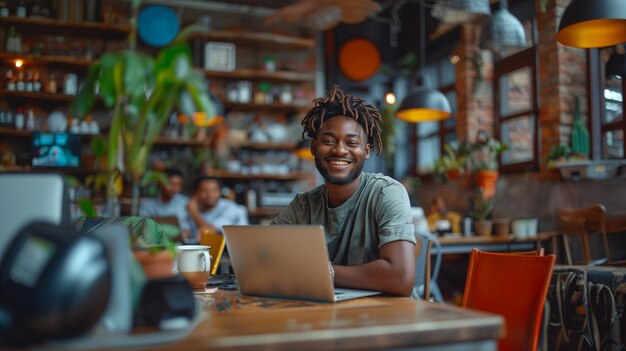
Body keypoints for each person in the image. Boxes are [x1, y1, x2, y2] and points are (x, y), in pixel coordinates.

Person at [270, 86, 416, 297]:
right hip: (327, 315)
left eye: (352, 143)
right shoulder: (304, 206)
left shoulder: (387, 193)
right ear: (314, 148)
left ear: (366, 152)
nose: (339, 150)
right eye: (328, 141)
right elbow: (264, 255)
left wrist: (322, 271)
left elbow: (401, 278)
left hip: (387, 319)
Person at [185, 175, 248, 242]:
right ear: (196, 193)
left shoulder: (231, 208)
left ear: (220, 192)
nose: (210, 195)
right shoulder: (192, 207)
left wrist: (194, 213)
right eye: (205, 191)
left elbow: (212, 234)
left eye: (214, 190)